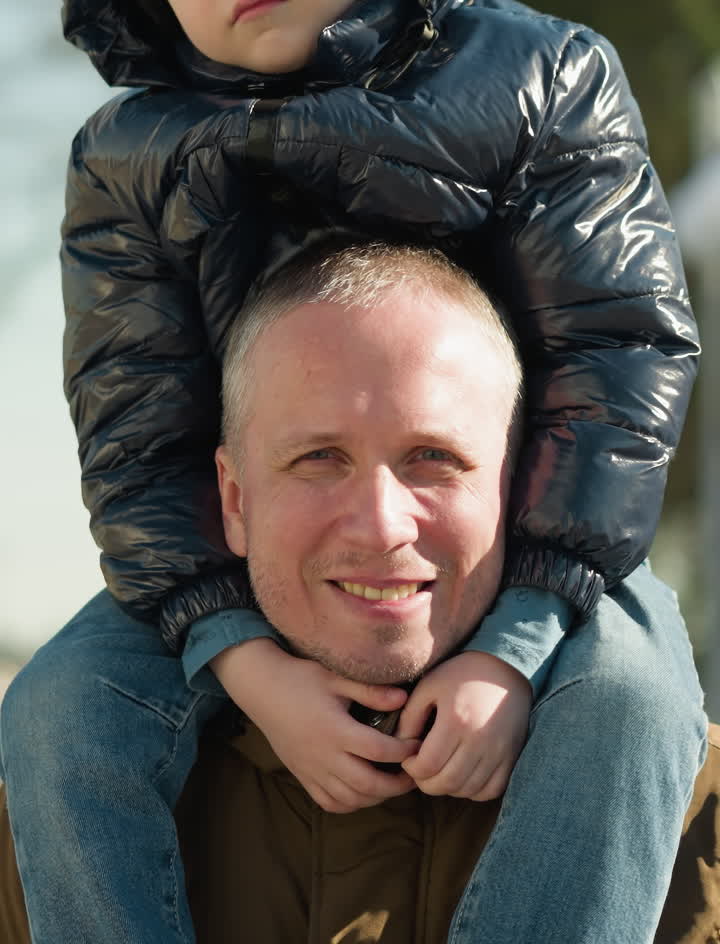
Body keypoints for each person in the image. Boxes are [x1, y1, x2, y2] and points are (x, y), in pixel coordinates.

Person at [0, 0, 706, 941]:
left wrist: (525, 631)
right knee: (55, 711)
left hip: (539, 543)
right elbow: (134, 429)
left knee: (637, 704)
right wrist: (240, 658)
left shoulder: (544, 77)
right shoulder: (129, 155)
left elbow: (623, 350)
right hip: (234, 573)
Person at [0, 241, 709, 944]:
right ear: (235, 500)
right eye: (319, 458)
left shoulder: (693, 815)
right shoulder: (48, 820)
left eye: (434, 457)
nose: (380, 526)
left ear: (519, 486)